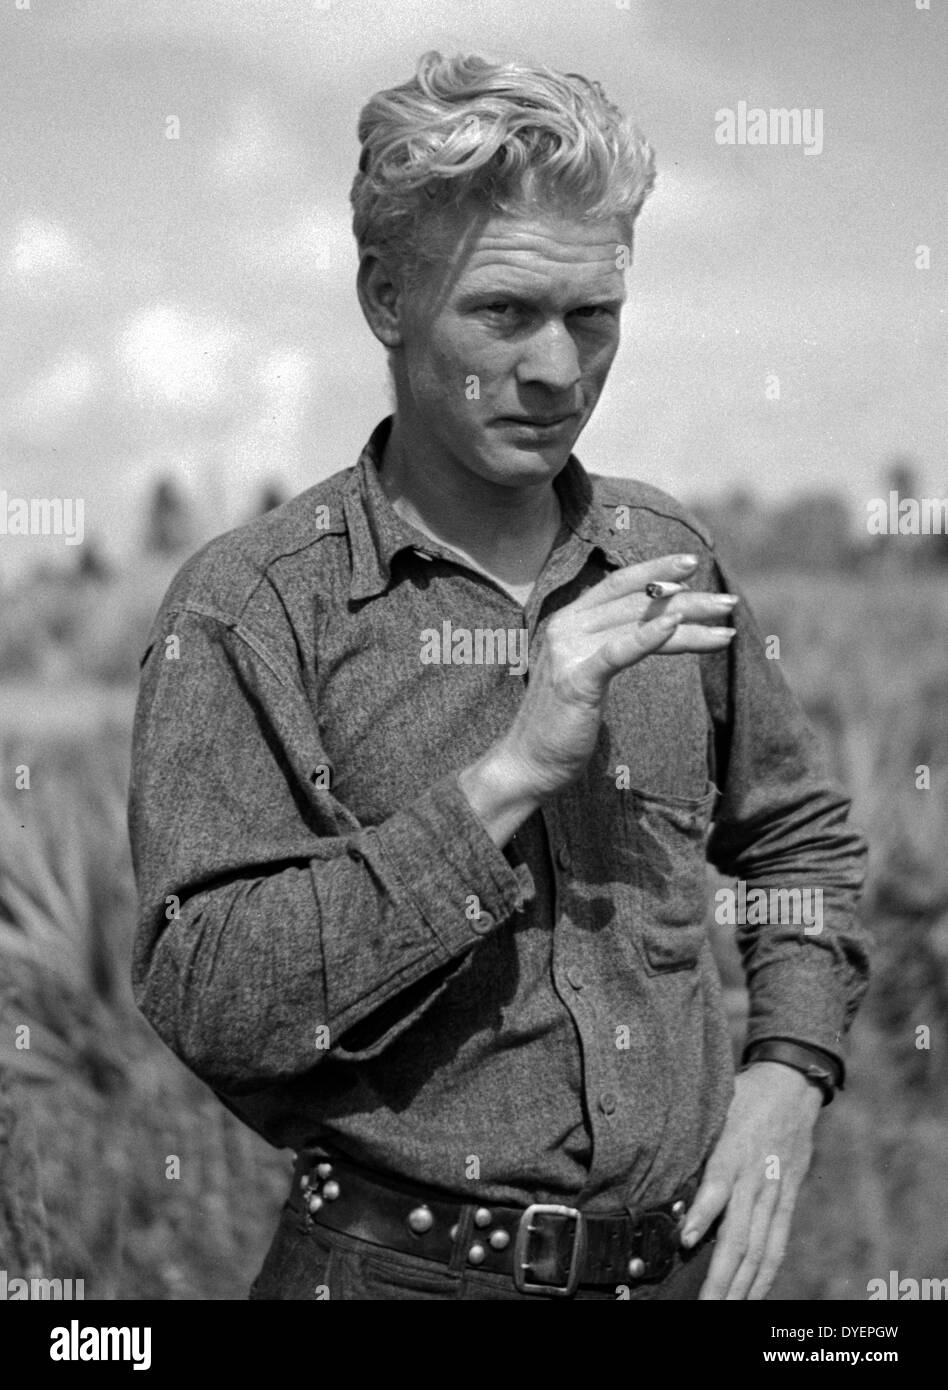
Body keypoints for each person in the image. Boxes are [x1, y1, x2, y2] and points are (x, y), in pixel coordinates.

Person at [127, 50, 869, 1301]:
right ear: (385, 295)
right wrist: (509, 778)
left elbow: (795, 846)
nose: (560, 371)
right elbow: (212, 995)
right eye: (506, 313)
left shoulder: (671, 556)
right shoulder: (253, 607)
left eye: (596, 317)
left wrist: (788, 1072)